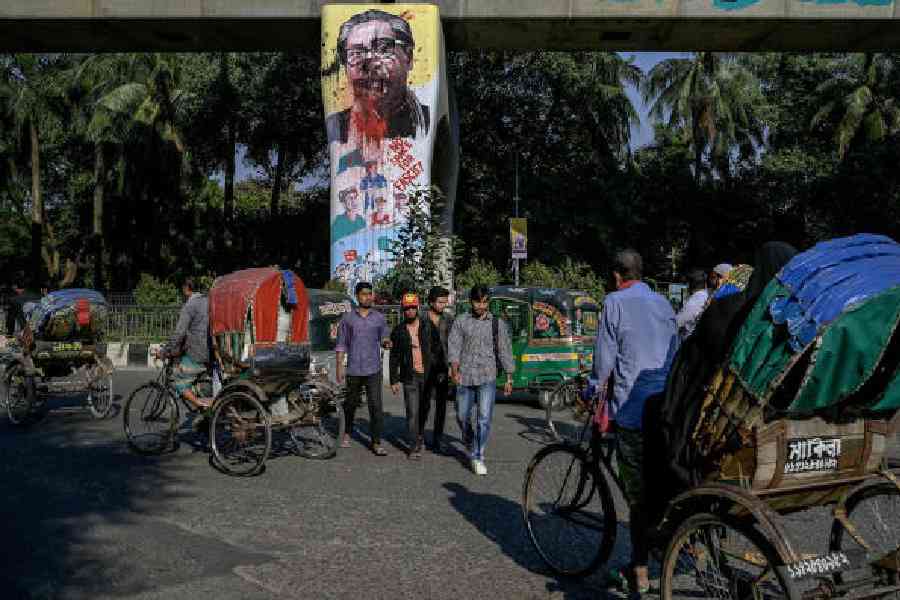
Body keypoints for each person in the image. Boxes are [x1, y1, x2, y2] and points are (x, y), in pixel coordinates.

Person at [592, 249, 678, 596]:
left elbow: (603, 358)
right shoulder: (662, 303)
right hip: (668, 406)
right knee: (665, 481)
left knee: (638, 497)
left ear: (616, 275)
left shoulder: (614, 302)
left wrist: (594, 387)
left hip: (632, 408)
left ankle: (639, 569)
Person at [325, 9, 430, 145]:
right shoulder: (334, 129)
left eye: (383, 49)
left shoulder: (431, 121)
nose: (369, 64)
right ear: (345, 66)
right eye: (356, 53)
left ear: (408, 57)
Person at [448, 285, 514, 476]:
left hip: (488, 376)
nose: (481, 306)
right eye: (478, 301)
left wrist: (509, 377)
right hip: (465, 376)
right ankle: (468, 438)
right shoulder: (461, 321)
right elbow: (454, 346)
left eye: (485, 302)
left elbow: (504, 350)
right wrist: (454, 369)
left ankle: (478, 456)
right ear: (471, 301)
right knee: (461, 415)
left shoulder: (497, 324)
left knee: (484, 419)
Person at [335, 281, 392, 456]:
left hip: (373, 369)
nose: (368, 296)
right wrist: (339, 367)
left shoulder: (379, 318)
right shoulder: (348, 319)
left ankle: (376, 442)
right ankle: (346, 432)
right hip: (353, 369)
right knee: (351, 404)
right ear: (357, 296)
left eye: (370, 293)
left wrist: (386, 342)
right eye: (364, 294)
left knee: (376, 406)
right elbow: (341, 344)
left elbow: (384, 336)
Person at [156, 278, 211, 412]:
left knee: (176, 378)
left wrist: (164, 351)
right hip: (211, 350)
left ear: (186, 288)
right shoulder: (208, 301)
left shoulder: (190, 305)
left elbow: (179, 333)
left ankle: (200, 404)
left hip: (198, 352)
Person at [389, 292, 433, 460]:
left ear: (418, 308)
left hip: (427, 376)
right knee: (412, 412)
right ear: (403, 309)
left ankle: (420, 434)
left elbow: (436, 350)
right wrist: (394, 379)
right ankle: (413, 447)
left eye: (413, 308)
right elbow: (394, 357)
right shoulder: (398, 331)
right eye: (407, 308)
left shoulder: (427, 327)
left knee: (424, 409)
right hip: (410, 377)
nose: (410, 311)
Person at [420, 286, 454, 454]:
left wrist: (452, 367)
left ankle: (437, 438)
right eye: (440, 302)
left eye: (445, 303)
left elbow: (454, 345)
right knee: (423, 404)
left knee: (441, 406)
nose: (443, 305)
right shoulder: (421, 319)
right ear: (431, 301)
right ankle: (419, 436)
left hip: (442, 367)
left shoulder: (449, 320)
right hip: (424, 368)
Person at [675, 269, 709, 340]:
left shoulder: (696, 299)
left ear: (690, 284)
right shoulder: (707, 295)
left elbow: (679, 321)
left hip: (691, 340)